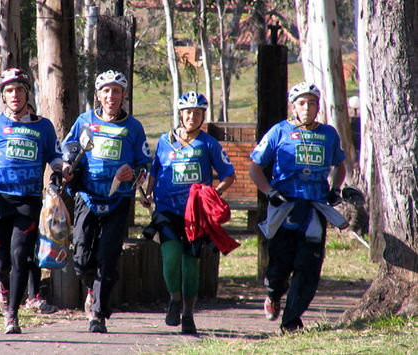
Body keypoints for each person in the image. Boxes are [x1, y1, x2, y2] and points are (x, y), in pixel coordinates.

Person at [0, 67, 63, 334]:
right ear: (3, 96)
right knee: (1, 259)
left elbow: (55, 156)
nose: (15, 94)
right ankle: (2, 293)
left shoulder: (43, 126)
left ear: (26, 92)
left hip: (28, 201)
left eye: (19, 89)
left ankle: (12, 314)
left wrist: (58, 171)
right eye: (9, 90)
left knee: (20, 255)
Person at [249, 82, 347, 333]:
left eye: (312, 102)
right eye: (302, 102)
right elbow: (255, 168)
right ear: (293, 106)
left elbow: (340, 165)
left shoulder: (329, 134)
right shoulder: (279, 131)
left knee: (308, 266)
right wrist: (270, 192)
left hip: (314, 209)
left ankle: (291, 321)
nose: (307, 107)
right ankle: (273, 294)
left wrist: (335, 190)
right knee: (280, 266)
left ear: (318, 106)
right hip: (284, 208)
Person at [62, 69, 152, 333]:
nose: (111, 96)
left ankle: (98, 315)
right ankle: (92, 288)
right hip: (87, 198)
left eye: (116, 91)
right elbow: (69, 154)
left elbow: (144, 166)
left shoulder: (133, 127)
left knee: (108, 256)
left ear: (124, 95)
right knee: (81, 257)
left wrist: (133, 174)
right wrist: (67, 169)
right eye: (106, 91)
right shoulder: (84, 121)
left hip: (118, 201)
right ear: (98, 95)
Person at [141, 91, 236, 334]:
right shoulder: (164, 140)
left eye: (197, 112)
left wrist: (215, 194)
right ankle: (174, 299)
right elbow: (155, 170)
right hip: (166, 210)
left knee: (190, 265)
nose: (192, 116)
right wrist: (148, 193)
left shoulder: (209, 143)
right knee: (171, 257)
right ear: (180, 114)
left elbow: (229, 175)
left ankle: (189, 314)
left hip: (195, 215)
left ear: (203, 115)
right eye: (188, 112)